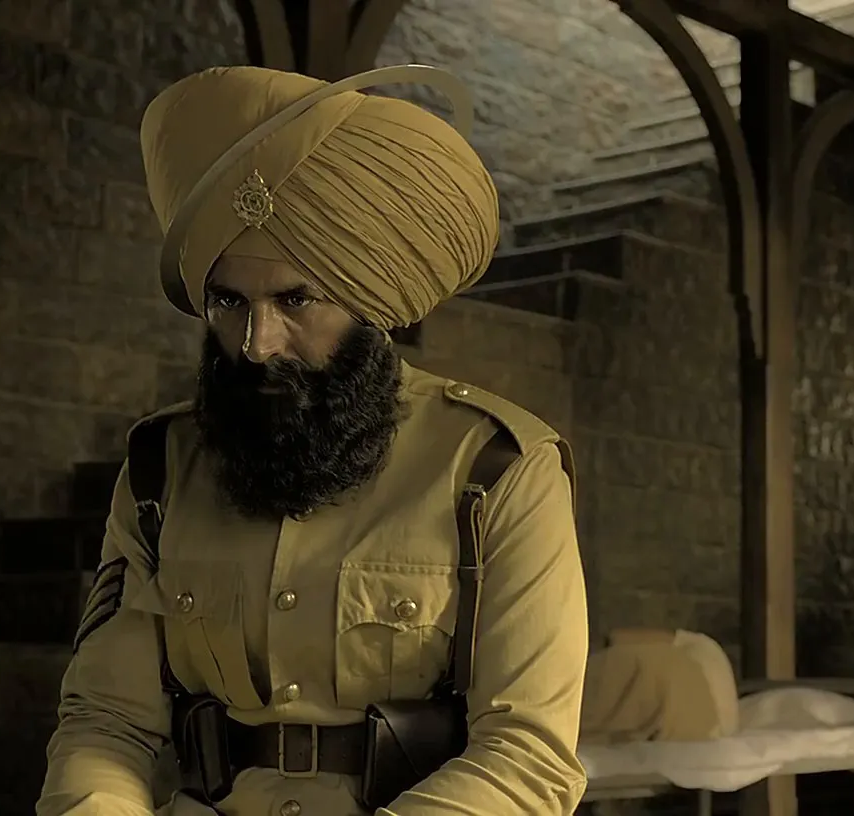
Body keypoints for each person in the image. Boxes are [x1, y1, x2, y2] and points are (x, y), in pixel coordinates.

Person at [35, 65, 589, 816]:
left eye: (295, 299)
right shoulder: (159, 470)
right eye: (229, 302)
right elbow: (106, 722)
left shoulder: (499, 469)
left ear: (369, 302)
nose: (257, 343)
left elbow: (526, 757)